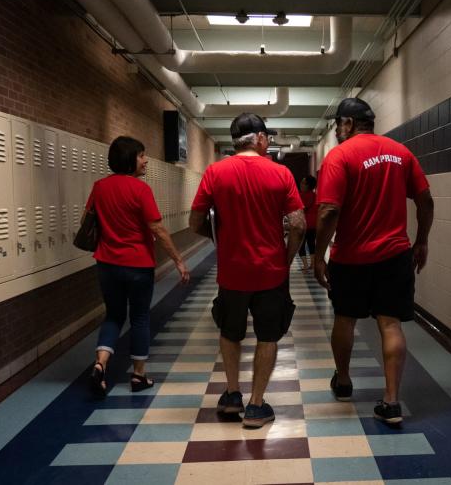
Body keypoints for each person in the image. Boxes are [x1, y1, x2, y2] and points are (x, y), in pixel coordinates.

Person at [314, 98, 434, 424]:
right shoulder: (401, 153)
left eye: (339, 125)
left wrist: (317, 255)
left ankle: (343, 380)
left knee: (345, 318)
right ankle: (391, 401)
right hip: (395, 255)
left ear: (348, 124)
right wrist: (421, 240)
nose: (338, 132)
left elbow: (328, 211)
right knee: (390, 323)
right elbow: (425, 200)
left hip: (351, 257)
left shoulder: (339, 156)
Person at [190, 113, 305, 428]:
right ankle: (256, 406)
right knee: (268, 336)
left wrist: (221, 240)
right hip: (271, 273)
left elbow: (195, 222)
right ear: (261, 139)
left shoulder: (215, 172)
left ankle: (231, 395)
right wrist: (285, 256)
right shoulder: (281, 174)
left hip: (232, 273)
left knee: (230, 331)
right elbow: (298, 223)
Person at [85, 136, 190, 398]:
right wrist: (178, 260)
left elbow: (88, 221)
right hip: (138, 266)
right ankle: (138, 375)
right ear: (130, 159)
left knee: (113, 315)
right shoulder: (141, 190)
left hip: (107, 264)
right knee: (140, 317)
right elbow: (157, 228)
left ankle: (100, 365)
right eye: (142, 156)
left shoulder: (99, 187)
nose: (145, 161)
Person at [297, 175, 318, 272]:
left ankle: (305, 266)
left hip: (303, 224)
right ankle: (312, 265)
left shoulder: (300, 195)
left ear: (307, 185)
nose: (300, 184)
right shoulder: (316, 196)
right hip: (314, 224)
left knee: (300, 245)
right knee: (311, 244)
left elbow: (299, 209)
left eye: (303, 183)